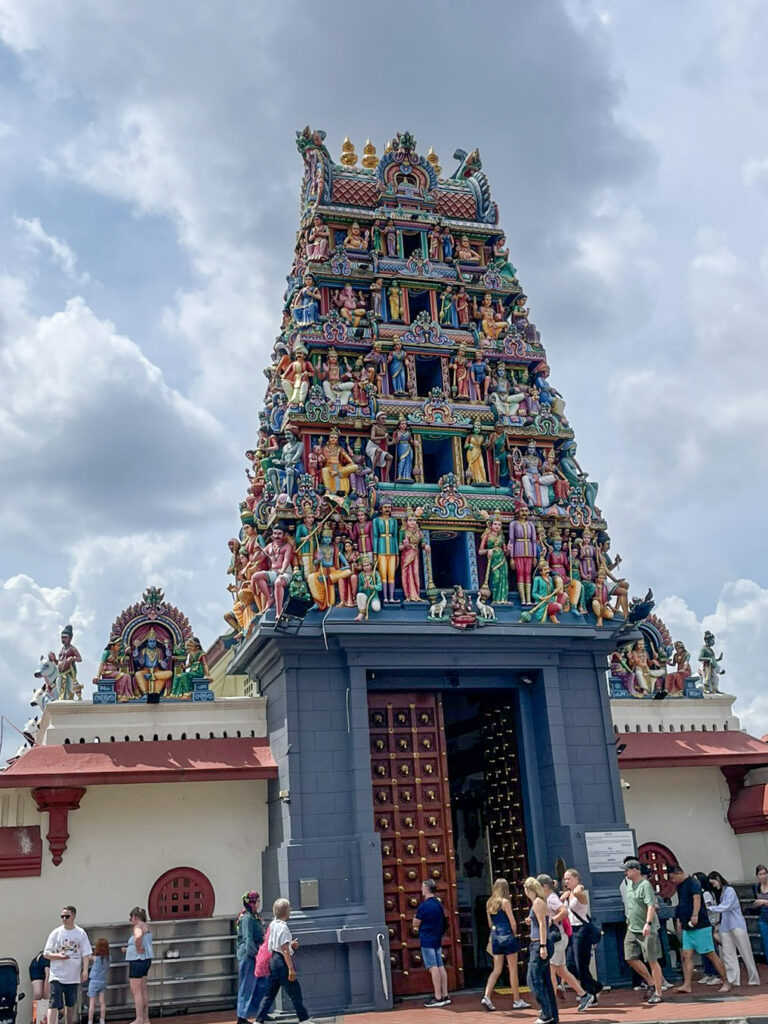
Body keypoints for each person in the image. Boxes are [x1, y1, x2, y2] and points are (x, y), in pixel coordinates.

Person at [668, 865, 729, 993]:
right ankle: (687, 984)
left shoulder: (693, 883)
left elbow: (697, 899)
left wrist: (695, 915)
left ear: (679, 873)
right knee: (686, 955)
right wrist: (679, 920)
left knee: (710, 954)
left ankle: (725, 982)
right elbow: (681, 903)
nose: (673, 881)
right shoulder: (680, 886)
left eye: (673, 878)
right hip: (687, 926)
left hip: (700, 925)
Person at [254, 898, 315, 1024]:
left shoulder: (273, 924)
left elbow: (276, 944)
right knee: (295, 991)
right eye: (289, 908)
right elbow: (285, 950)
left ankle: (259, 1020)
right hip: (282, 962)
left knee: (270, 993)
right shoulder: (284, 928)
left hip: (273, 961)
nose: (290, 910)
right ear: (285, 911)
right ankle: (304, 1019)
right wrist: (291, 969)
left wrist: (289, 945)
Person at [537, 874, 591, 1012]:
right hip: (559, 938)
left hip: (558, 938)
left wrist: (552, 920)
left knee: (551, 971)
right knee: (562, 971)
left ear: (544, 886)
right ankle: (584, 995)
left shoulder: (552, 898)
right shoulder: (549, 898)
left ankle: (549, 1005)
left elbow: (564, 911)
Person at [480, 878, 529, 1011]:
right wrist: (513, 933)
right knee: (513, 970)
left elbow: (490, 924)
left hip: (496, 937)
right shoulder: (505, 902)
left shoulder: (489, 903)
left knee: (497, 969)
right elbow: (513, 922)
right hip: (507, 935)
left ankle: (487, 996)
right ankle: (517, 1000)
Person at [622, 859, 664, 1004]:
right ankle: (651, 982)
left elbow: (651, 905)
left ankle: (658, 992)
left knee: (652, 960)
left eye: (627, 870)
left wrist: (648, 923)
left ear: (635, 870)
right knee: (630, 956)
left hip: (646, 928)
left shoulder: (645, 885)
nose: (625, 872)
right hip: (632, 927)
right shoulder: (628, 885)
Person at [708, 870, 760, 986]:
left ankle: (754, 978)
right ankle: (732, 979)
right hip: (726, 926)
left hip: (736, 925)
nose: (714, 886)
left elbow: (726, 906)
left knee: (745, 952)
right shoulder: (723, 892)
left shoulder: (729, 890)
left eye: (713, 883)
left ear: (718, 878)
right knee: (728, 953)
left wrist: (711, 908)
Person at [44, 905, 92, 1024]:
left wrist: (85, 970)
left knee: (71, 1004)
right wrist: (58, 956)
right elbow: (46, 953)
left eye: (67, 916)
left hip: (73, 976)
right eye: (62, 916)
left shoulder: (80, 933)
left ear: (74, 916)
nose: (64, 919)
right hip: (57, 975)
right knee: (53, 1002)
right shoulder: (56, 933)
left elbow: (85, 953)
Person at [562, 868, 602, 1004]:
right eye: (565, 879)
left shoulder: (580, 892)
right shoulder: (568, 894)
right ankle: (595, 987)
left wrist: (578, 886)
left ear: (576, 878)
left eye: (569, 878)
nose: (566, 881)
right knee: (569, 964)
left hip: (582, 930)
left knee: (581, 965)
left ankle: (591, 993)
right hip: (571, 931)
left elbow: (579, 892)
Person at [524, 877, 558, 1024]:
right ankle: (551, 1014)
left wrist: (543, 946)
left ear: (528, 889)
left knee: (533, 979)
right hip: (540, 944)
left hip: (539, 945)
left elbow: (544, 926)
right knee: (545, 981)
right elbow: (542, 922)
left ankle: (546, 1013)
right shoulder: (539, 902)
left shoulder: (537, 902)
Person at [413, 879, 450, 1008]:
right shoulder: (438, 904)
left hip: (427, 938)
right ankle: (445, 995)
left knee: (433, 967)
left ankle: (438, 997)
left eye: (423, 887)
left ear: (427, 889)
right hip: (437, 938)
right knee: (440, 965)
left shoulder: (424, 906)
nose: (421, 889)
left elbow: (416, 922)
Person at [236, 891, 265, 1024]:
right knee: (247, 985)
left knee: (260, 984)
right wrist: (254, 953)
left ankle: (260, 1012)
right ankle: (242, 1017)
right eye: (257, 901)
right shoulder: (247, 918)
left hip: (254, 953)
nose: (259, 903)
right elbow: (248, 938)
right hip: (249, 955)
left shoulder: (253, 916)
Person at [123, 907, 153, 1024]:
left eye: (131, 918)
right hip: (146, 960)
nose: (131, 920)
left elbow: (138, 936)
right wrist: (129, 949)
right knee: (143, 989)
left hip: (137, 960)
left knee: (136, 990)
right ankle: (146, 1018)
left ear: (135, 917)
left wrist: (137, 946)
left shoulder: (138, 927)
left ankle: (139, 1018)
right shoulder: (148, 926)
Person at [86, 938, 110, 1024]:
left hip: (94, 982)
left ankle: (90, 1021)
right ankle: (102, 1020)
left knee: (92, 1003)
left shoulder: (96, 958)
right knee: (102, 1002)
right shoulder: (108, 958)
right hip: (103, 981)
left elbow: (88, 957)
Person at [753, 864, 768, 965]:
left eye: (765, 873)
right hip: (763, 917)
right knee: (766, 943)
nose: (763, 876)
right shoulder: (757, 887)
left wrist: (765, 902)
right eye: (760, 874)